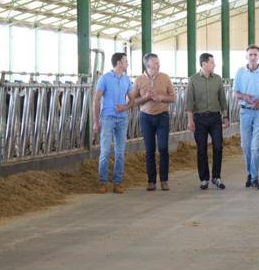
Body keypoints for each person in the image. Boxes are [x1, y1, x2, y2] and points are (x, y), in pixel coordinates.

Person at [130, 53, 176, 191]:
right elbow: (132, 101)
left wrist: (160, 98)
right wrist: (145, 98)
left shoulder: (165, 77)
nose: (158, 64)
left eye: (158, 62)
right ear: (148, 65)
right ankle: (151, 181)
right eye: (155, 62)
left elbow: (173, 97)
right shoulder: (138, 80)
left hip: (162, 115)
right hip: (146, 117)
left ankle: (164, 180)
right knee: (149, 150)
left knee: (163, 148)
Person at [233, 45, 259, 190]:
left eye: (255, 54)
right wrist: (244, 96)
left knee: (255, 146)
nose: (252, 57)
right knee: (245, 146)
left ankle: (255, 177)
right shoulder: (240, 72)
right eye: (250, 54)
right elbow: (235, 93)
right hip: (245, 111)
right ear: (246, 56)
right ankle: (250, 173)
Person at [186, 53, 230, 190]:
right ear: (204, 64)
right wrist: (190, 120)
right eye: (212, 62)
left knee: (218, 146)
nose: (214, 65)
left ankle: (216, 176)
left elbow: (222, 99)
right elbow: (189, 102)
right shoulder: (193, 80)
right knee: (201, 149)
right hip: (199, 119)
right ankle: (204, 178)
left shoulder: (217, 79)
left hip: (215, 118)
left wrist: (225, 116)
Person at [93, 52, 134, 194]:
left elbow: (132, 99)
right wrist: (96, 121)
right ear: (118, 63)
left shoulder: (126, 80)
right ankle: (103, 182)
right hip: (108, 117)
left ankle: (117, 182)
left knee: (120, 152)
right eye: (125, 61)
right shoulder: (104, 79)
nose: (127, 63)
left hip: (122, 118)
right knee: (105, 151)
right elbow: (97, 100)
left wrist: (125, 107)